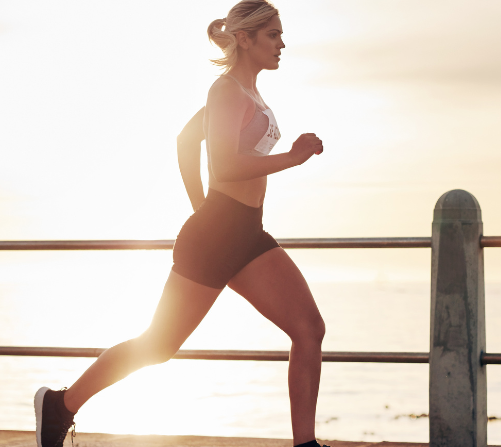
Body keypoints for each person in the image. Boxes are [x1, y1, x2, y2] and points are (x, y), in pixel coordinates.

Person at [34, 1, 326, 446]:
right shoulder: (225, 91)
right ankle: (60, 405)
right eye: (273, 34)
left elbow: (187, 141)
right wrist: (291, 158)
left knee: (309, 329)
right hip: (217, 236)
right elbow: (224, 165)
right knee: (157, 346)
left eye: (281, 34)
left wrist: (202, 209)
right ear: (244, 39)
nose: (282, 43)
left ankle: (305, 444)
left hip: (246, 233)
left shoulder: (249, 94)